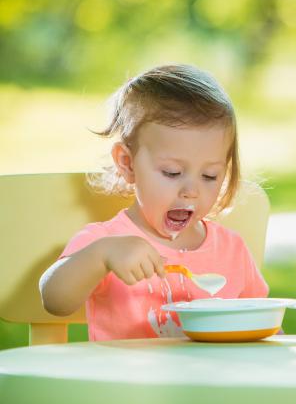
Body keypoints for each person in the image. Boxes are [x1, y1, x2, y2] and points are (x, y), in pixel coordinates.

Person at [40, 64, 269, 340]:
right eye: (172, 172)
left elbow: (261, 325)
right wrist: (100, 256)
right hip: (124, 380)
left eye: (210, 176)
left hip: (209, 381)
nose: (191, 191)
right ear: (128, 163)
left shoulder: (232, 249)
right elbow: (54, 299)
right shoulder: (108, 241)